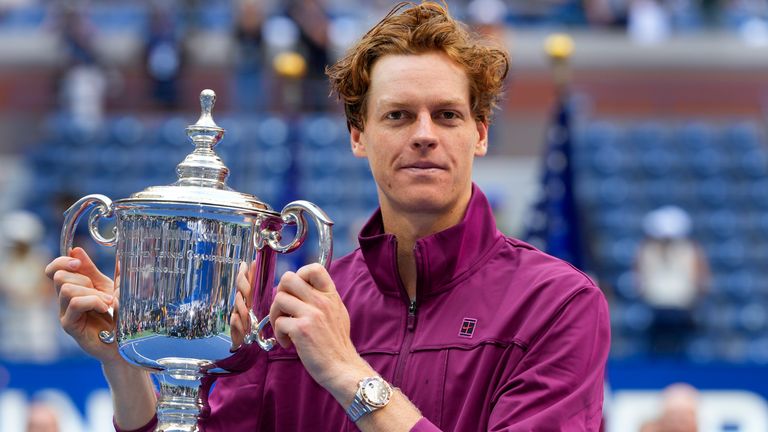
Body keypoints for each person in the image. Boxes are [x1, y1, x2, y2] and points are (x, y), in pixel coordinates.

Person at [45, 2, 610, 430]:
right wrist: (125, 361)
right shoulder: (296, 312)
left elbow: (346, 371)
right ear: (358, 136)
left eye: (447, 115)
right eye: (396, 115)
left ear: (479, 134)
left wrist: (348, 374)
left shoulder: (557, 304)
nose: (423, 135)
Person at [635, 205, 709, 356]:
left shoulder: (690, 250)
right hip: (656, 306)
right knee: (655, 347)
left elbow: (700, 276)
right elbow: (638, 276)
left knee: (680, 347)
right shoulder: (646, 249)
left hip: (682, 307)